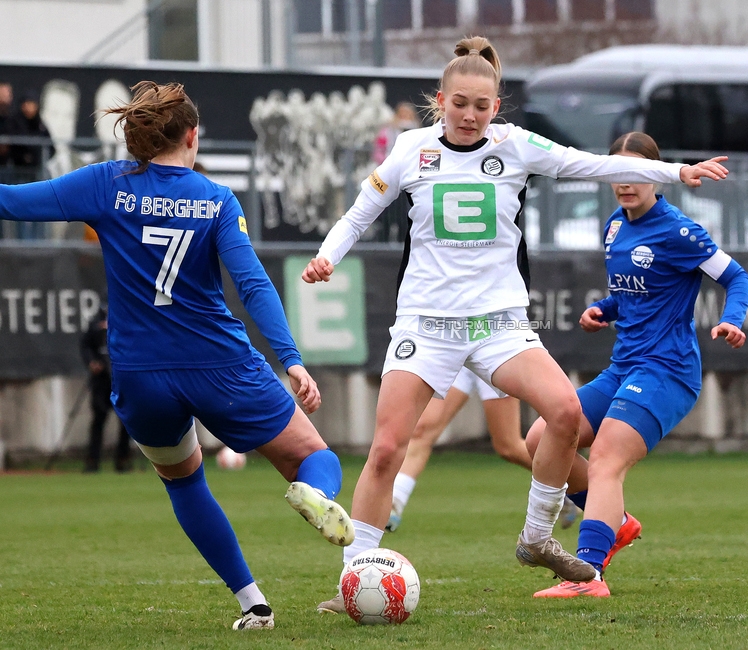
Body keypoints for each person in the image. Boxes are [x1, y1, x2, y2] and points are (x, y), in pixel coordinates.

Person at [302, 36, 729, 611]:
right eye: (460, 103)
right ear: (440, 100)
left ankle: (536, 535)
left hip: (498, 324)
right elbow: (357, 216)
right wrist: (328, 255)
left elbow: (596, 164)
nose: (470, 115)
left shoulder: (515, 145)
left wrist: (676, 171)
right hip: (426, 324)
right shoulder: (410, 149)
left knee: (564, 411)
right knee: (386, 449)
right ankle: (352, 582)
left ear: (496, 106)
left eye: (482, 105)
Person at [0, 81, 354, 631]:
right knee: (313, 455)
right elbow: (253, 285)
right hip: (220, 363)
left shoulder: (106, 185)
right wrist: (291, 359)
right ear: (192, 136)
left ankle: (253, 604)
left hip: (142, 375)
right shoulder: (216, 199)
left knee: (185, 482)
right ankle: (316, 495)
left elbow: (13, 200)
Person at [528, 132, 748, 599]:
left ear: (655, 175)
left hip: (667, 371)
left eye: (636, 174)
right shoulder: (614, 226)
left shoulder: (678, 231)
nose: (626, 184)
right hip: (623, 367)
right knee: (539, 437)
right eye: (618, 174)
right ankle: (616, 522)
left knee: (607, 455)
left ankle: (588, 576)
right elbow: (637, 292)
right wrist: (604, 311)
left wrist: (731, 321)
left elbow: (737, 277)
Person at [385, 367, 530, 532]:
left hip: (490, 353)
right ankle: (394, 503)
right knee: (422, 430)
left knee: (508, 447)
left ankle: (560, 481)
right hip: (457, 355)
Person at [81, 306, 133, 473]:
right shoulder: (95, 322)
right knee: (98, 419)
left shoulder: (126, 318)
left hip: (121, 377)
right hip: (101, 380)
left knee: (126, 421)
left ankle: (122, 460)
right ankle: (92, 461)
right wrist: (92, 362)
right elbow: (85, 345)